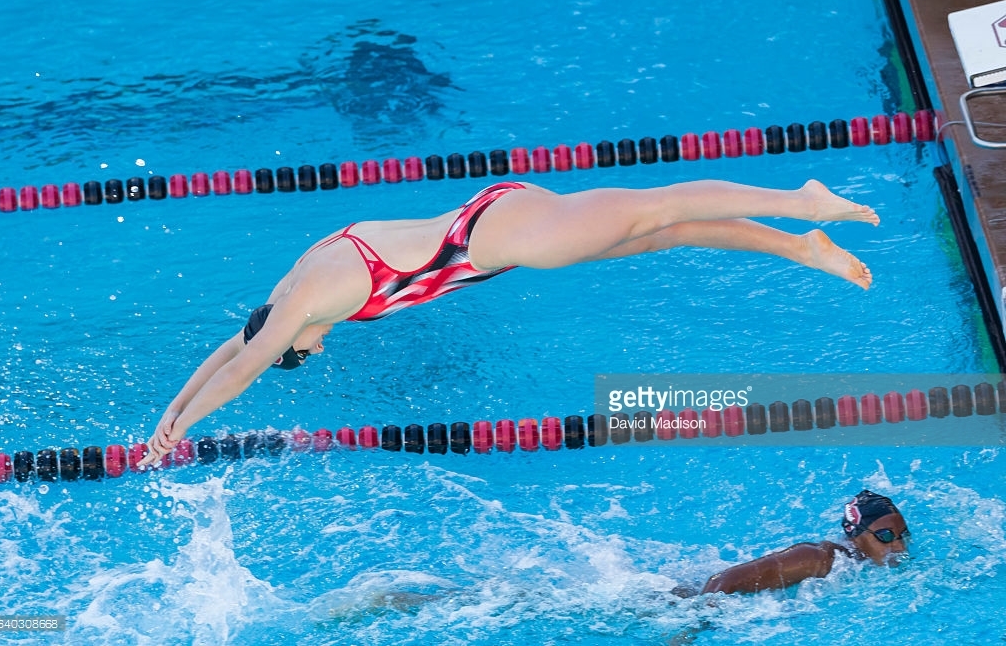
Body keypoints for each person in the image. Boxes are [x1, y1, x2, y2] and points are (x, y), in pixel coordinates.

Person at [137, 179, 879, 466]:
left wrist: (182, 428)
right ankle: (802, 245)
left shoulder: (309, 300)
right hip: (495, 225)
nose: (317, 346)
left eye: (301, 351)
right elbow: (234, 343)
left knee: (659, 211)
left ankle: (800, 201)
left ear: (289, 334)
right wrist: (169, 413)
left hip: (504, 238)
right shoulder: (292, 282)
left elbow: (243, 365)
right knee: (663, 233)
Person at [698, 489, 910, 595]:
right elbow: (722, 581)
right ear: (855, 535)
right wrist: (693, 628)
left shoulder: (863, 563)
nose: (899, 546)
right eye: (886, 536)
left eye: (903, 535)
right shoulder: (816, 558)